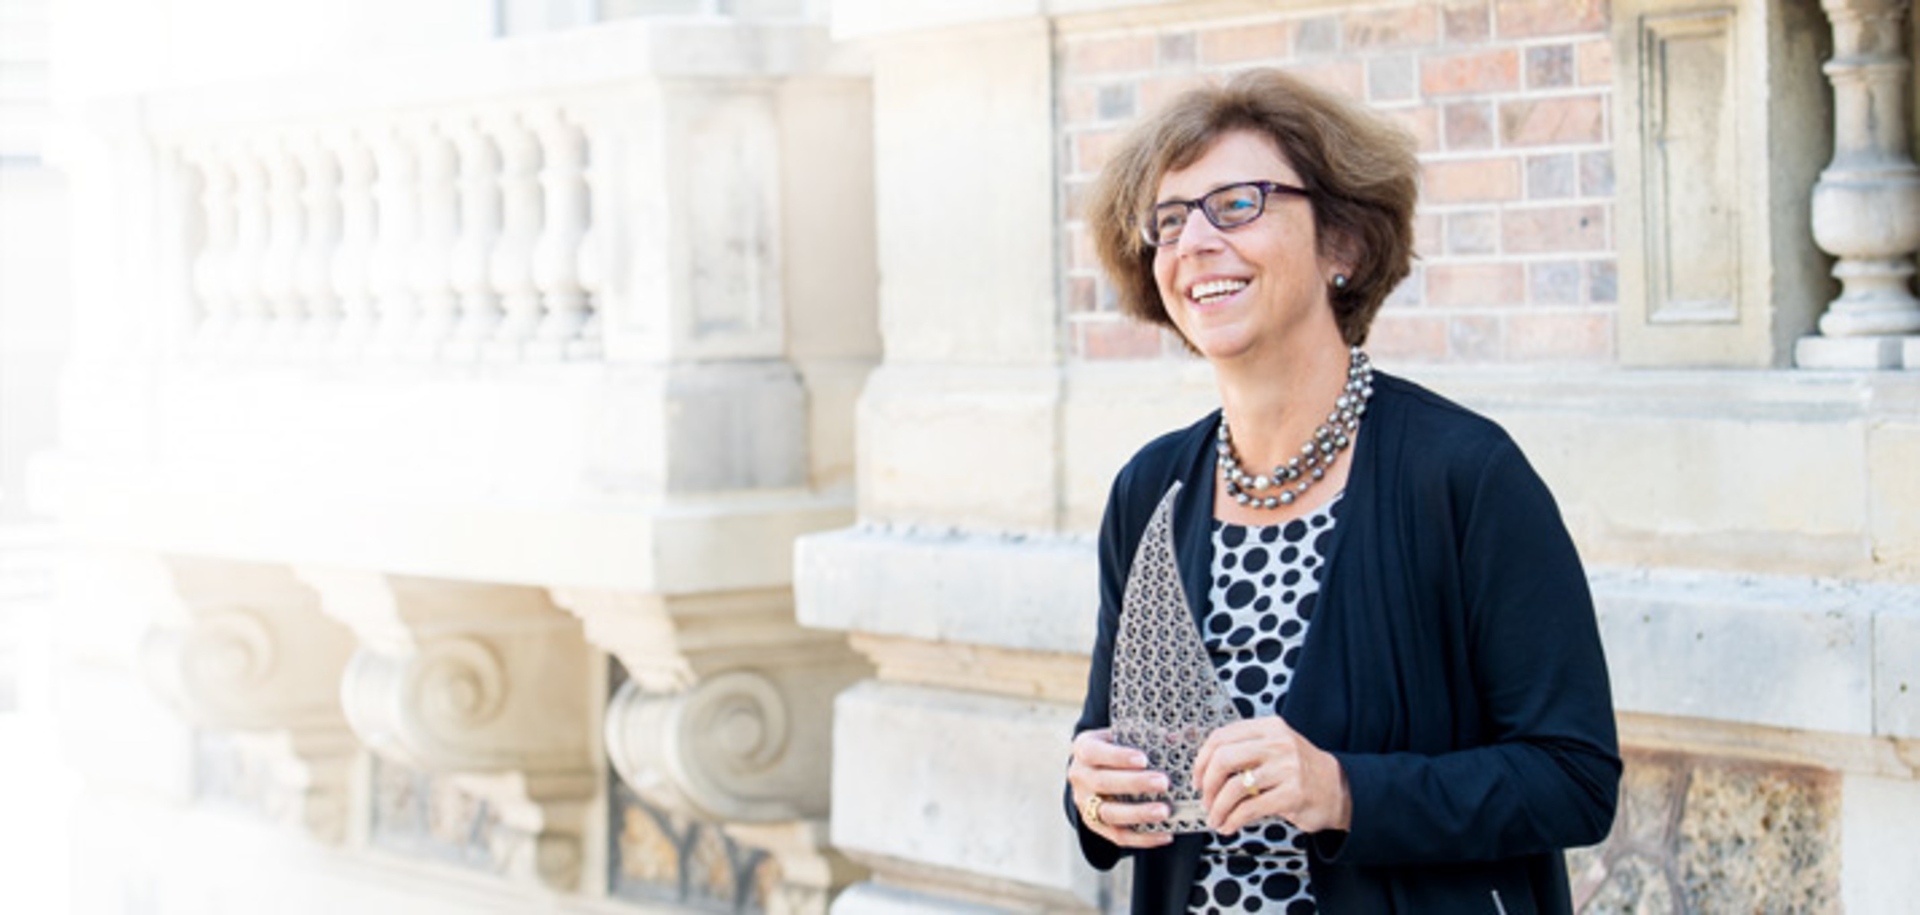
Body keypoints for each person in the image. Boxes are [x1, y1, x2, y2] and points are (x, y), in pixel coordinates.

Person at [1064, 68, 1621, 914]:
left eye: (1239, 203)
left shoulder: (1465, 474)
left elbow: (1575, 777)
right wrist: (1091, 789)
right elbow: (1110, 748)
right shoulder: (1151, 489)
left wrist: (1341, 790)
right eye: (1169, 221)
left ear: (1343, 244)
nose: (1194, 241)